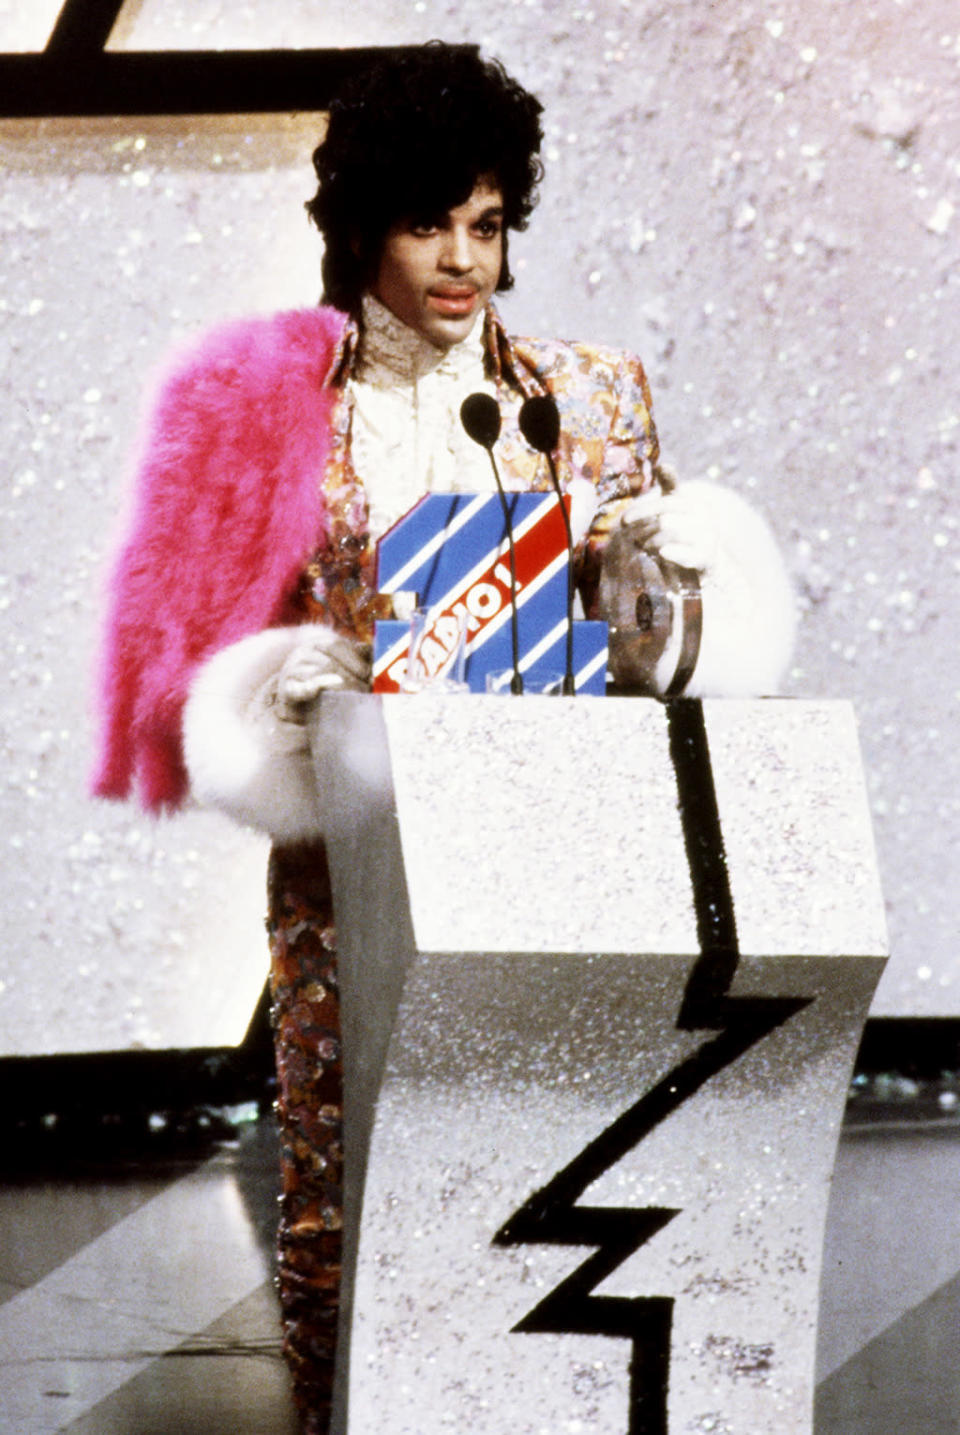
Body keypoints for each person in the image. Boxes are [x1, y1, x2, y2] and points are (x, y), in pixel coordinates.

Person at [91, 42, 795, 1435]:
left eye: (488, 223)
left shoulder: (589, 397)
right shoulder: (285, 413)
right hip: (362, 864)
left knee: (560, 1180)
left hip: (562, 845)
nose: (464, 259)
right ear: (363, 225)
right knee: (343, 1206)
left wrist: (670, 585)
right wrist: (285, 680)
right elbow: (212, 657)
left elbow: (655, 660)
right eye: (430, 224)